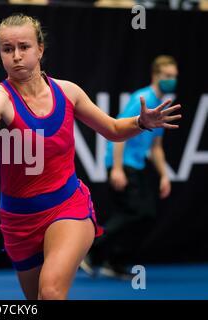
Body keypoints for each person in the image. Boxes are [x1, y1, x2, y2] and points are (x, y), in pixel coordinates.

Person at [0, 15, 181, 300]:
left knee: (51, 292)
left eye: (24, 47)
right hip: (17, 221)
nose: (16, 56)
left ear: (40, 49)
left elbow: (114, 129)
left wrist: (140, 123)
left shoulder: (68, 92)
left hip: (67, 207)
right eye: (7, 49)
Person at [81, 55, 179, 280]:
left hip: (137, 164)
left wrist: (164, 175)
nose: (171, 81)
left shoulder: (163, 104)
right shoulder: (142, 98)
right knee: (137, 212)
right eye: (167, 76)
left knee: (147, 215)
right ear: (155, 75)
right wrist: (117, 169)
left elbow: (156, 147)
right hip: (122, 163)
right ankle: (91, 249)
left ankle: (114, 262)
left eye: (174, 77)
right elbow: (118, 132)